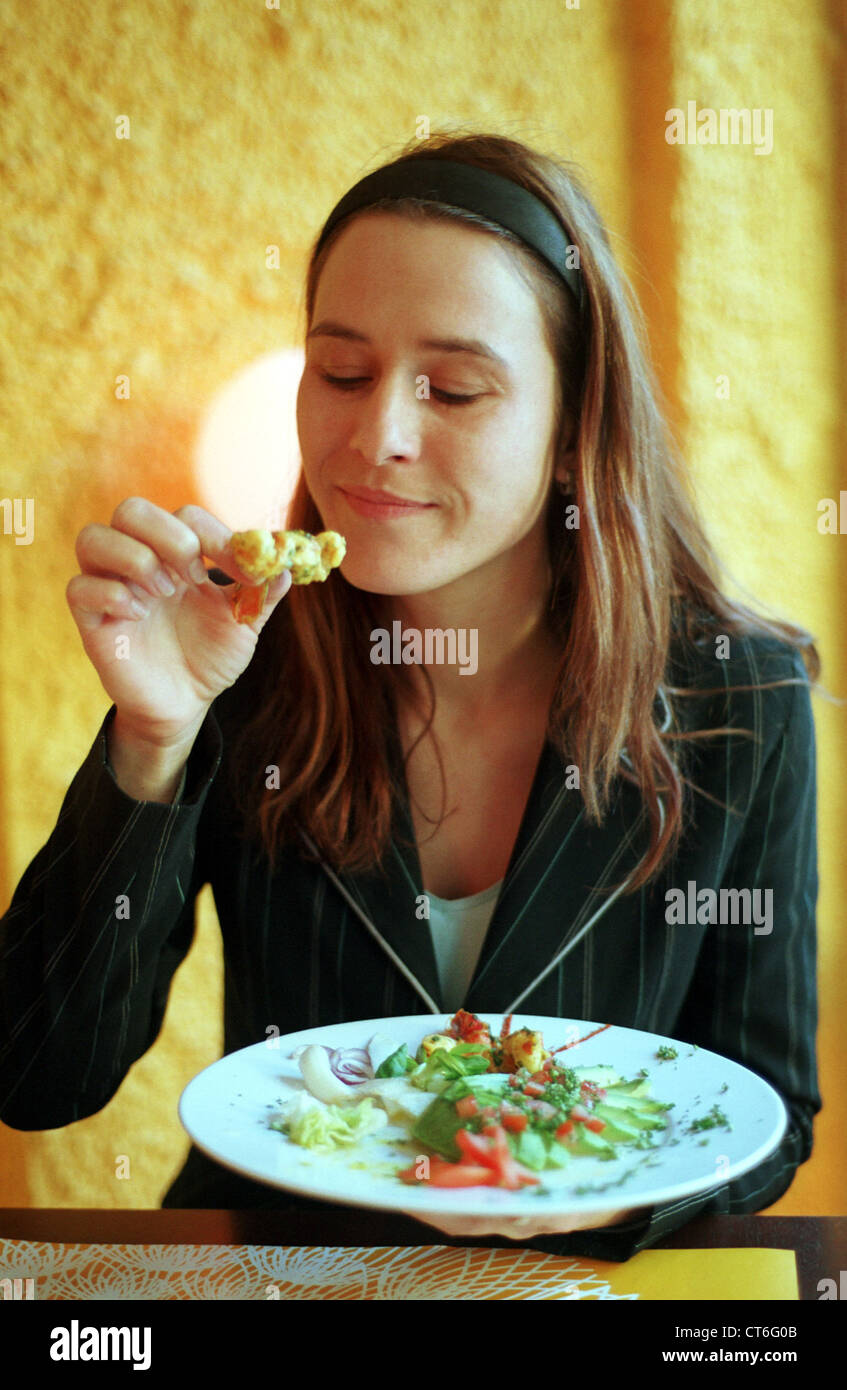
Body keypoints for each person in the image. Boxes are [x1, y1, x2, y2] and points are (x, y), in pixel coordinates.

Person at [0, 132, 821, 1261]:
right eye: (340, 371)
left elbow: (767, 1107)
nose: (376, 434)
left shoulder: (744, 698)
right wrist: (156, 732)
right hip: (274, 1279)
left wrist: (598, 1200)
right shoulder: (241, 659)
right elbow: (39, 1074)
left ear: (573, 427)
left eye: (456, 387)